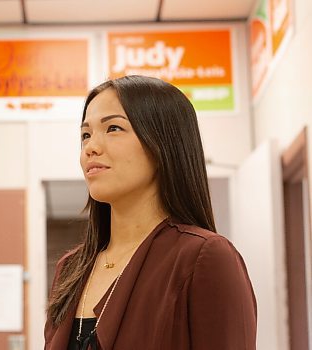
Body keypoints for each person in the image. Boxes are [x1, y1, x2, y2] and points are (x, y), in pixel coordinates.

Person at [44, 75, 257, 350]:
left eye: (113, 129)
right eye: (86, 134)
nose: (90, 148)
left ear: (163, 143)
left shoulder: (204, 257)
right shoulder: (70, 268)